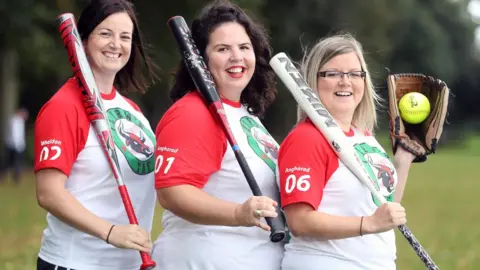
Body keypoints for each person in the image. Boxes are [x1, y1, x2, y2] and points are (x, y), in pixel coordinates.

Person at [151, 1, 285, 269]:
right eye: (223, 49)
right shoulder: (193, 112)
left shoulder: (246, 116)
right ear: (202, 59)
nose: (236, 56)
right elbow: (173, 191)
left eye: (244, 47)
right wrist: (238, 213)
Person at [33, 0, 158, 269]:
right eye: (105, 33)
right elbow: (49, 193)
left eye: (125, 37)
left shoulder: (132, 111)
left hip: (128, 262)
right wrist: (110, 231)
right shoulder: (63, 107)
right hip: (76, 262)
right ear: (84, 39)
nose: (116, 44)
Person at [277, 33, 414, 270]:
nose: (345, 81)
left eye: (354, 73)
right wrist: (368, 223)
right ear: (313, 81)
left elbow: (383, 210)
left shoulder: (364, 137)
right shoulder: (306, 139)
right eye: (333, 73)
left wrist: (403, 159)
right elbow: (299, 221)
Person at [1, 107, 28, 184]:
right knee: (8, 162)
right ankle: (3, 177)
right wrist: (18, 146)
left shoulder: (21, 121)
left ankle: (16, 178)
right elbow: (15, 134)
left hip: (19, 146)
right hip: (12, 146)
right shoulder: (14, 120)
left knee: (18, 163)